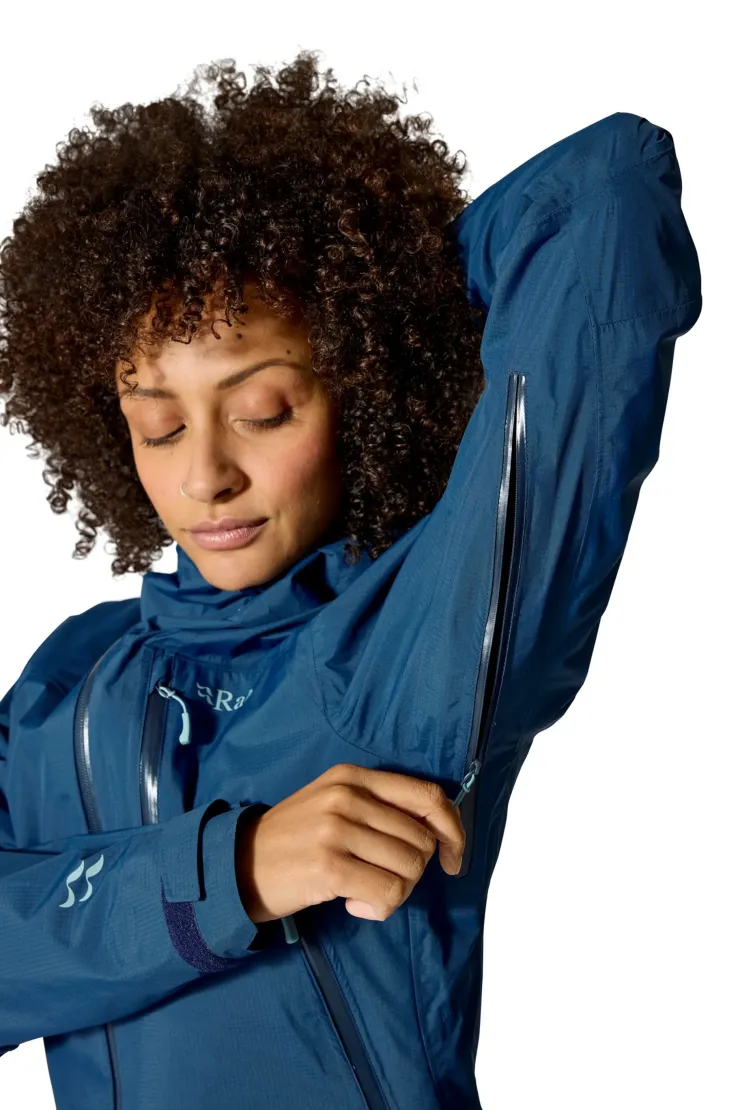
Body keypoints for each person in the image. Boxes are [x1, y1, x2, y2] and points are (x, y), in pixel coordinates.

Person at [0, 51, 701, 1110]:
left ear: (361, 394)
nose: (205, 475)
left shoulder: (409, 650)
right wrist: (234, 871)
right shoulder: (75, 676)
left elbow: (605, 196)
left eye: (264, 410)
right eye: (158, 423)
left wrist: (388, 303)